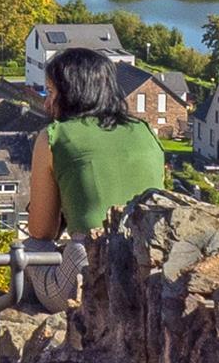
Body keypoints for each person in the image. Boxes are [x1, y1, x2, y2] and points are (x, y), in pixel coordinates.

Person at [23, 45, 173, 243]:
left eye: (51, 92)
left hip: (94, 257)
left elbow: (41, 231)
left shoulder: (54, 136)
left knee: (30, 251)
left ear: (71, 92)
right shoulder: (145, 131)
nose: (46, 103)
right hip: (149, 254)